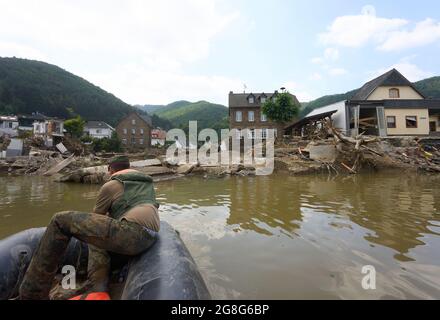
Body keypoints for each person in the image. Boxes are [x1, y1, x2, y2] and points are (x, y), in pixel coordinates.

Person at [19, 156, 160, 300]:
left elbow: (96, 217)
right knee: (100, 235)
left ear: (110, 169)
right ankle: (98, 286)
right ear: (129, 167)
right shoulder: (146, 183)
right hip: (150, 237)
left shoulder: (110, 186)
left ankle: (32, 294)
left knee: (59, 220)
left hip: (130, 233)